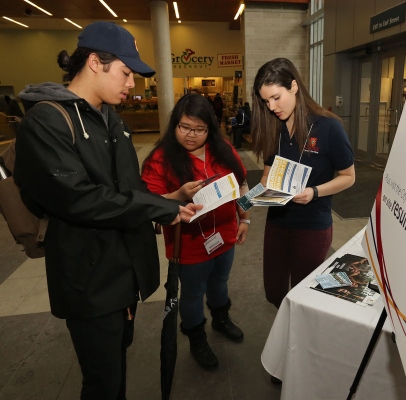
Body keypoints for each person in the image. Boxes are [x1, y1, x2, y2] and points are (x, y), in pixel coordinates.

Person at [13, 22, 202, 400]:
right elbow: (80, 199)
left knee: (117, 364)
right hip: (89, 281)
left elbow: (123, 193)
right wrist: (159, 207)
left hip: (123, 274)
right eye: (126, 73)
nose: (133, 84)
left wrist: (169, 197)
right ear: (96, 63)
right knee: (103, 382)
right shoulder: (47, 121)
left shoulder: (111, 118)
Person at [141, 93, 250, 371]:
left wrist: (245, 218)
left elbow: (242, 185)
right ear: (174, 124)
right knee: (192, 293)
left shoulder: (223, 149)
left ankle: (221, 318)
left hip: (225, 234)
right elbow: (147, 204)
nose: (192, 135)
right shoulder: (160, 158)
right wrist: (177, 194)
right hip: (188, 243)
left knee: (220, 281)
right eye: (185, 127)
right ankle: (196, 335)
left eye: (200, 129)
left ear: (209, 129)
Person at [251, 57, 356, 308]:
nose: (272, 107)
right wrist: (244, 200)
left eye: (276, 97)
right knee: (275, 292)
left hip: (312, 227)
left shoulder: (329, 127)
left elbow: (349, 177)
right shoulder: (273, 128)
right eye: (266, 101)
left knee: (304, 296)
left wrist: (315, 191)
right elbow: (266, 177)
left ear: (294, 86)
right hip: (277, 224)